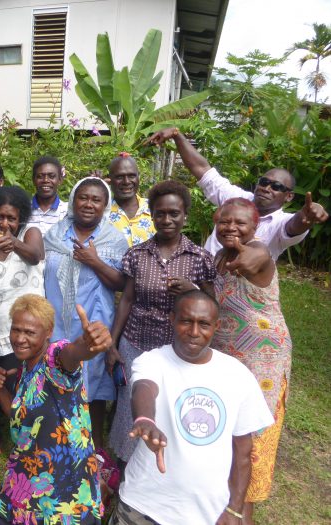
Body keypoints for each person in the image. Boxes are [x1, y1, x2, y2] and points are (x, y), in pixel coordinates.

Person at [111, 290, 273, 525]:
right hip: (142, 506)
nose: (194, 332)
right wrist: (145, 420)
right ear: (172, 319)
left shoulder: (238, 375)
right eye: (186, 321)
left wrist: (236, 510)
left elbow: (244, 452)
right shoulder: (152, 360)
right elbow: (144, 387)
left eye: (204, 324)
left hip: (207, 515)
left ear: (216, 326)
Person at [108, 181, 216, 464]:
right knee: (130, 409)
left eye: (174, 213)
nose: (166, 220)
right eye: (160, 213)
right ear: (151, 216)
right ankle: (123, 473)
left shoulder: (199, 258)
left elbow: (211, 304)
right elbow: (127, 301)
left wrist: (191, 288)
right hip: (136, 342)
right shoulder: (137, 254)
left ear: (185, 216)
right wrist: (112, 344)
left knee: (169, 407)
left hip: (177, 350)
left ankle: (165, 465)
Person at [0, 294, 112, 525]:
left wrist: (89, 346)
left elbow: (72, 353)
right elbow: (20, 419)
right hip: (27, 469)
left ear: (48, 332)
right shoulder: (25, 369)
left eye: (30, 332)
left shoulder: (54, 361)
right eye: (16, 330)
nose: (20, 339)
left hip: (65, 484)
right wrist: (0, 389)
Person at [211, 198, 292, 525]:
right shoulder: (219, 257)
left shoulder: (256, 254)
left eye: (240, 223)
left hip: (263, 364)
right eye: (224, 222)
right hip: (228, 360)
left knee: (253, 439)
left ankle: (240, 511)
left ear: (254, 228)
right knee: (228, 433)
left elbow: (254, 258)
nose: (231, 227)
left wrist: (246, 251)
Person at [147, 127, 329, 259]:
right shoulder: (237, 199)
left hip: (242, 293)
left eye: (277, 187)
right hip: (202, 280)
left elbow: (294, 227)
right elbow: (202, 168)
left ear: (288, 196)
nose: (267, 188)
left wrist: (307, 215)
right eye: (264, 182)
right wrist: (177, 135)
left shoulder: (280, 223)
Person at [44, 177, 128, 451]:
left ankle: (94, 451)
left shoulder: (113, 238)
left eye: (96, 200)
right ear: (73, 201)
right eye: (83, 197)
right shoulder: (54, 235)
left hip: (94, 323)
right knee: (56, 382)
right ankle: (57, 447)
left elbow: (121, 284)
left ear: (105, 205)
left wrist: (95, 261)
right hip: (56, 323)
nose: (89, 204)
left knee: (94, 388)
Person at [0, 186, 45, 459]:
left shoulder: (30, 233)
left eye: (11, 218)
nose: (4, 223)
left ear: (20, 218)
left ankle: (30, 437)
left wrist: (16, 243)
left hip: (26, 329)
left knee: (25, 386)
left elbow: (35, 255)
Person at [106, 153, 155, 247]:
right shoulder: (102, 211)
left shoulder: (155, 207)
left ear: (138, 177)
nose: (126, 182)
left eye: (131, 176)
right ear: (110, 179)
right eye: (119, 177)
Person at [27, 155, 69, 235]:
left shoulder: (67, 212)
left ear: (60, 180)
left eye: (51, 176)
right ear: (33, 180)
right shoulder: (23, 210)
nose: (46, 180)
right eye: (40, 176)